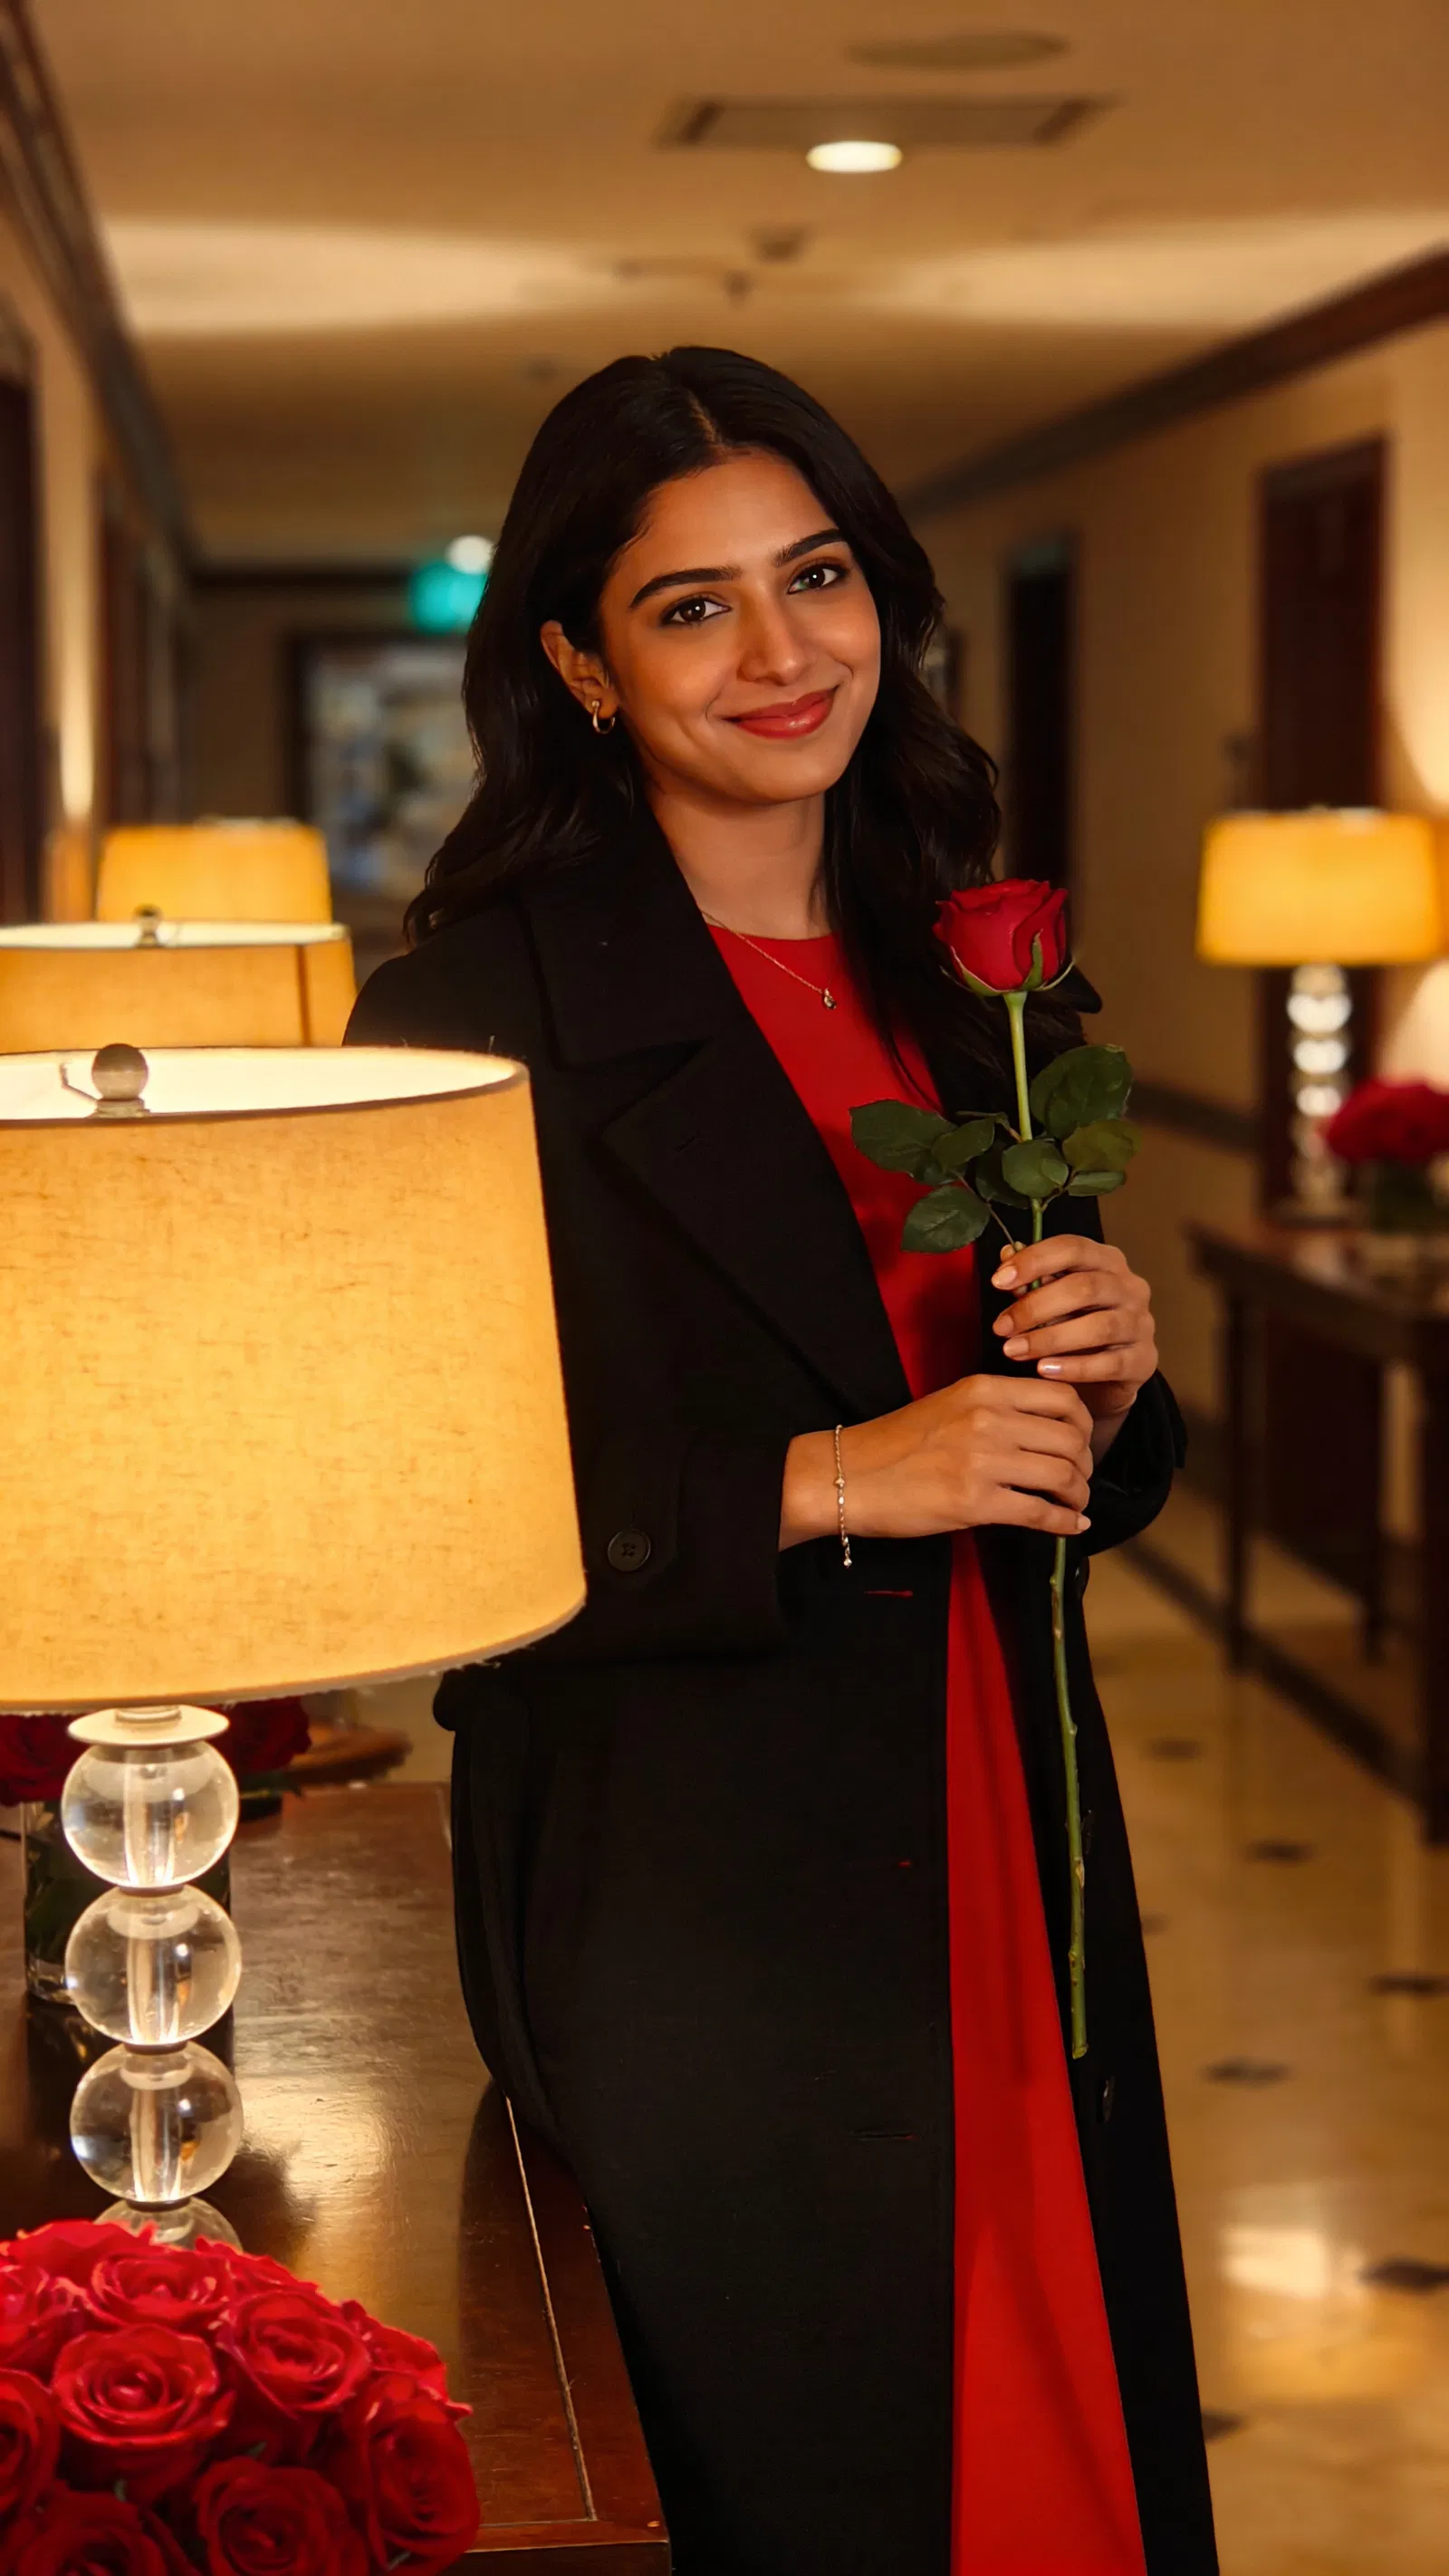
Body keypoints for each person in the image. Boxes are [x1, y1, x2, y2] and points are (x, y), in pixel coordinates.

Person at [348, 346, 1216, 2576]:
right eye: (689, 605)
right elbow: (434, 1523)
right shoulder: (469, 1011)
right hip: (695, 1893)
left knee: (1055, 2406)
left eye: (811, 576)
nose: (779, 652)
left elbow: (1044, 1457)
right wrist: (835, 1478)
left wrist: (1110, 1389)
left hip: (1010, 1824)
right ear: (574, 657)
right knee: (808, 2460)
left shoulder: (975, 974)